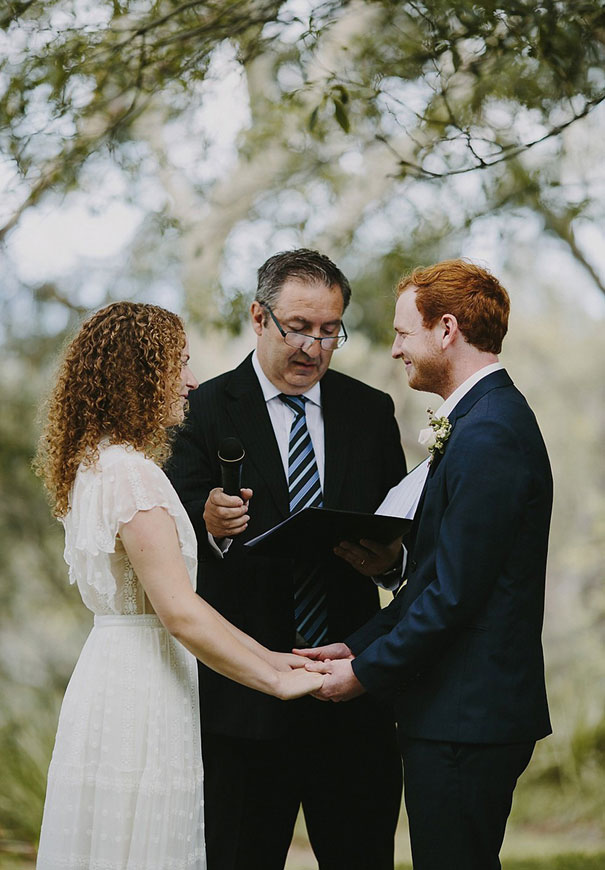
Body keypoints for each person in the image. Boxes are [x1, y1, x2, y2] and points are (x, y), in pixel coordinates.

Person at [33, 301, 323, 870]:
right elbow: (180, 612)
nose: (191, 381)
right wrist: (273, 680)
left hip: (112, 675)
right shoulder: (132, 474)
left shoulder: (95, 464)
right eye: (178, 364)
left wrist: (273, 656)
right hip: (141, 687)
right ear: (138, 374)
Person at [302, 259, 553, 870]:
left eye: (403, 333)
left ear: (446, 329)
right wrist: (355, 645)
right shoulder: (477, 422)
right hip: (455, 714)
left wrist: (365, 674)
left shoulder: (490, 432)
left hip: (467, 719)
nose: (394, 350)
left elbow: (453, 597)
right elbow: (434, 580)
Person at [167, 249, 407, 870]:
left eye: (331, 331)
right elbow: (166, 551)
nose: (314, 347)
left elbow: (400, 539)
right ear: (258, 316)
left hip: (352, 697)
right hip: (244, 707)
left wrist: (385, 563)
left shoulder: (371, 411)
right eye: (298, 327)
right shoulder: (200, 410)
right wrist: (209, 523)